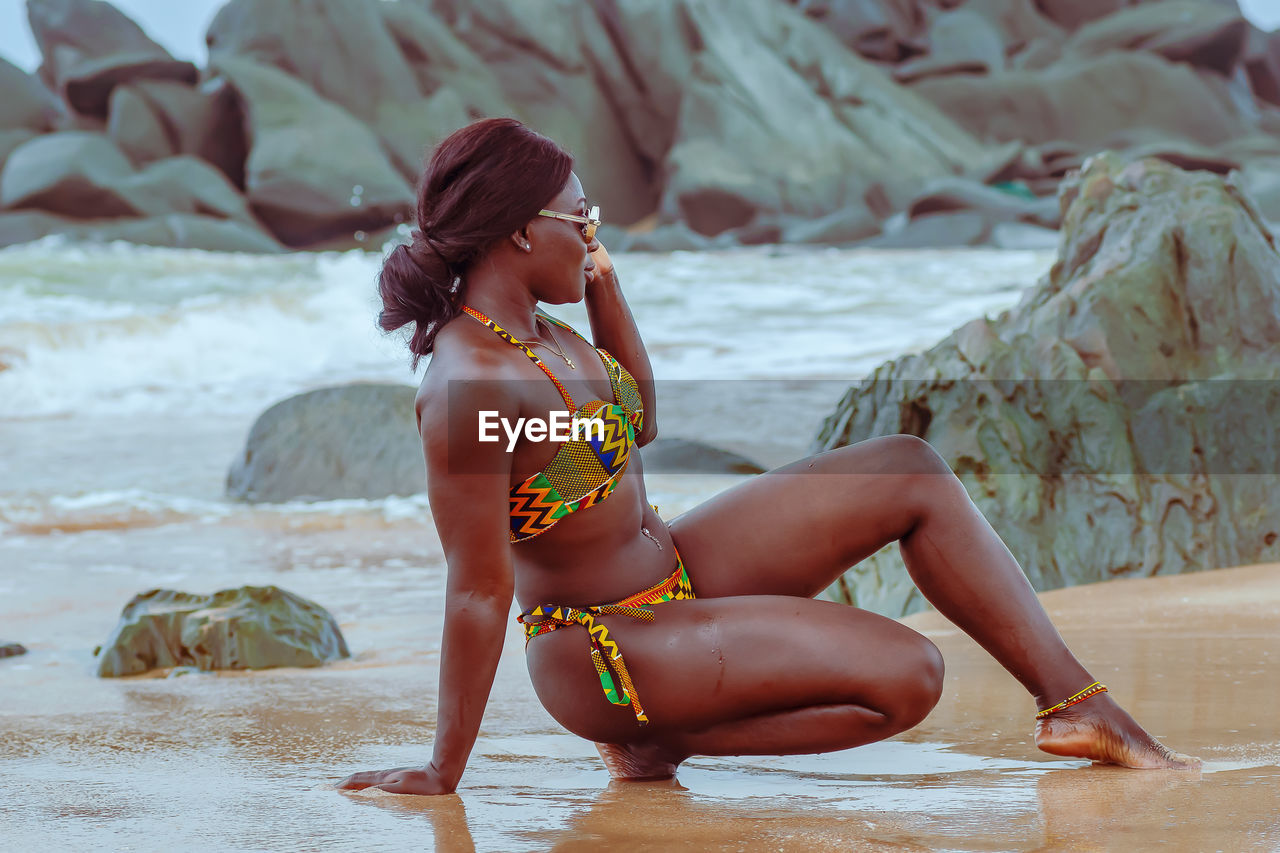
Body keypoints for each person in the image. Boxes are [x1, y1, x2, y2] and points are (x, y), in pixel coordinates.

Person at [337, 118, 1198, 795]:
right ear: (522, 232)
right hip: (601, 644)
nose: (595, 234)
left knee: (908, 468)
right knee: (908, 675)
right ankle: (653, 735)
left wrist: (601, 278)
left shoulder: (545, 332)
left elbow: (635, 419)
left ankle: (1077, 706)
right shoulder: (469, 384)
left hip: (668, 570)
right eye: (582, 218)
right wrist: (444, 768)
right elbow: (480, 587)